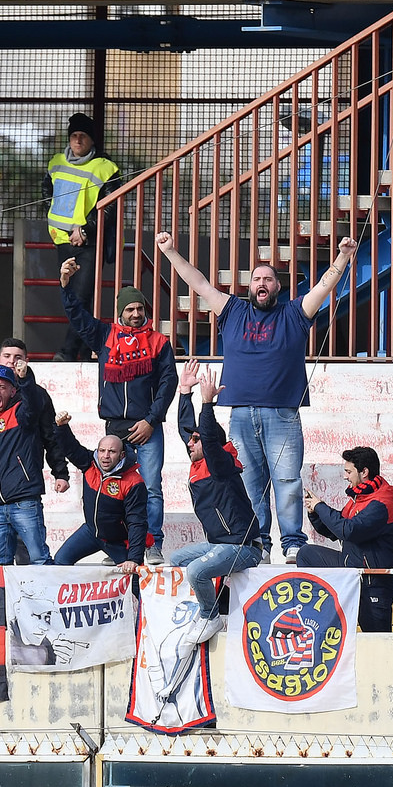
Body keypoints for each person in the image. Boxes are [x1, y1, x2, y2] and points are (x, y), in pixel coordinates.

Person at [152, 229, 359, 560]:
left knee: (287, 481)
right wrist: (171, 252)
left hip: (282, 413)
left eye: (268, 279)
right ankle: (258, 542)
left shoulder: (294, 312)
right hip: (241, 413)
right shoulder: (233, 310)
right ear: (250, 287)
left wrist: (342, 257)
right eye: (256, 279)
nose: (262, 283)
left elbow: (323, 286)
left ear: (277, 287)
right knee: (249, 482)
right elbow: (200, 283)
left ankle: (292, 543)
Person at [62, 259, 178, 563]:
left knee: (151, 487)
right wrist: (66, 287)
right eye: (130, 309)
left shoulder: (159, 341)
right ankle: (118, 548)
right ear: (121, 313)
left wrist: (151, 420)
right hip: (115, 428)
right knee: (114, 488)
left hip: (147, 427)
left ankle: (153, 544)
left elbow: (168, 382)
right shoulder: (104, 336)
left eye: (140, 308)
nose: (136, 314)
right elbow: (77, 317)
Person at [169, 363, 264, 643]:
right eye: (191, 440)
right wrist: (185, 392)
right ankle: (197, 609)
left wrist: (207, 404)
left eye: (195, 440)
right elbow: (187, 432)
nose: (190, 443)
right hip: (219, 544)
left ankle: (210, 618)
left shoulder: (220, 462)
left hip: (243, 547)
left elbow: (208, 439)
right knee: (176, 560)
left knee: (196, 570)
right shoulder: (198, 463)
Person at [297, 445, 393, 633]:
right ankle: (317, 612)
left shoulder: (381, 503)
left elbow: (349, 531)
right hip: (352, 572)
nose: (345, 476)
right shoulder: (359, 499)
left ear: (364, 472)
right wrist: (314, 511)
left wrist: (320, 506)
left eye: (348, 471)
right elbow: (334, 531)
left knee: (378, 641)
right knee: (306, 553)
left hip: (373, 582)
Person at [46, 113, 121, 363]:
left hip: (89, 244)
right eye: (74, 135)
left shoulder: (105, 168)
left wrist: (87, 229)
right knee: (73, 298)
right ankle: (86, 350)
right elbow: (47, 190)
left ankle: (68, 351)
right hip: (61, 241)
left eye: (83, 136)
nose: (78, 140)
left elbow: (111, 207)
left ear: (91, 140)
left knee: (80, 296)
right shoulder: (56, 162)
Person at [0, 363, 56, 565]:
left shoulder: (21, 412)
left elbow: (33, 403)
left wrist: (25, 379)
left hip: (25, 502)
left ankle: (44, 598)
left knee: (39, 558)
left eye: (3, 387)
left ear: (13, 391)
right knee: (0, 563)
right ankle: (4, 598)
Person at [51, 418, 149, 572]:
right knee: (60, 562)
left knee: (133, 576)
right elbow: (71, 449)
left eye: (112, 451)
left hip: (118, 541)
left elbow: (137, 522)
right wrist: (62, 427)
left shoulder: (134, 482)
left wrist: (134, 559)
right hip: (90, 532)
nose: (105, 456)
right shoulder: (89, 463)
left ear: (122, 455)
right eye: (102, 450)